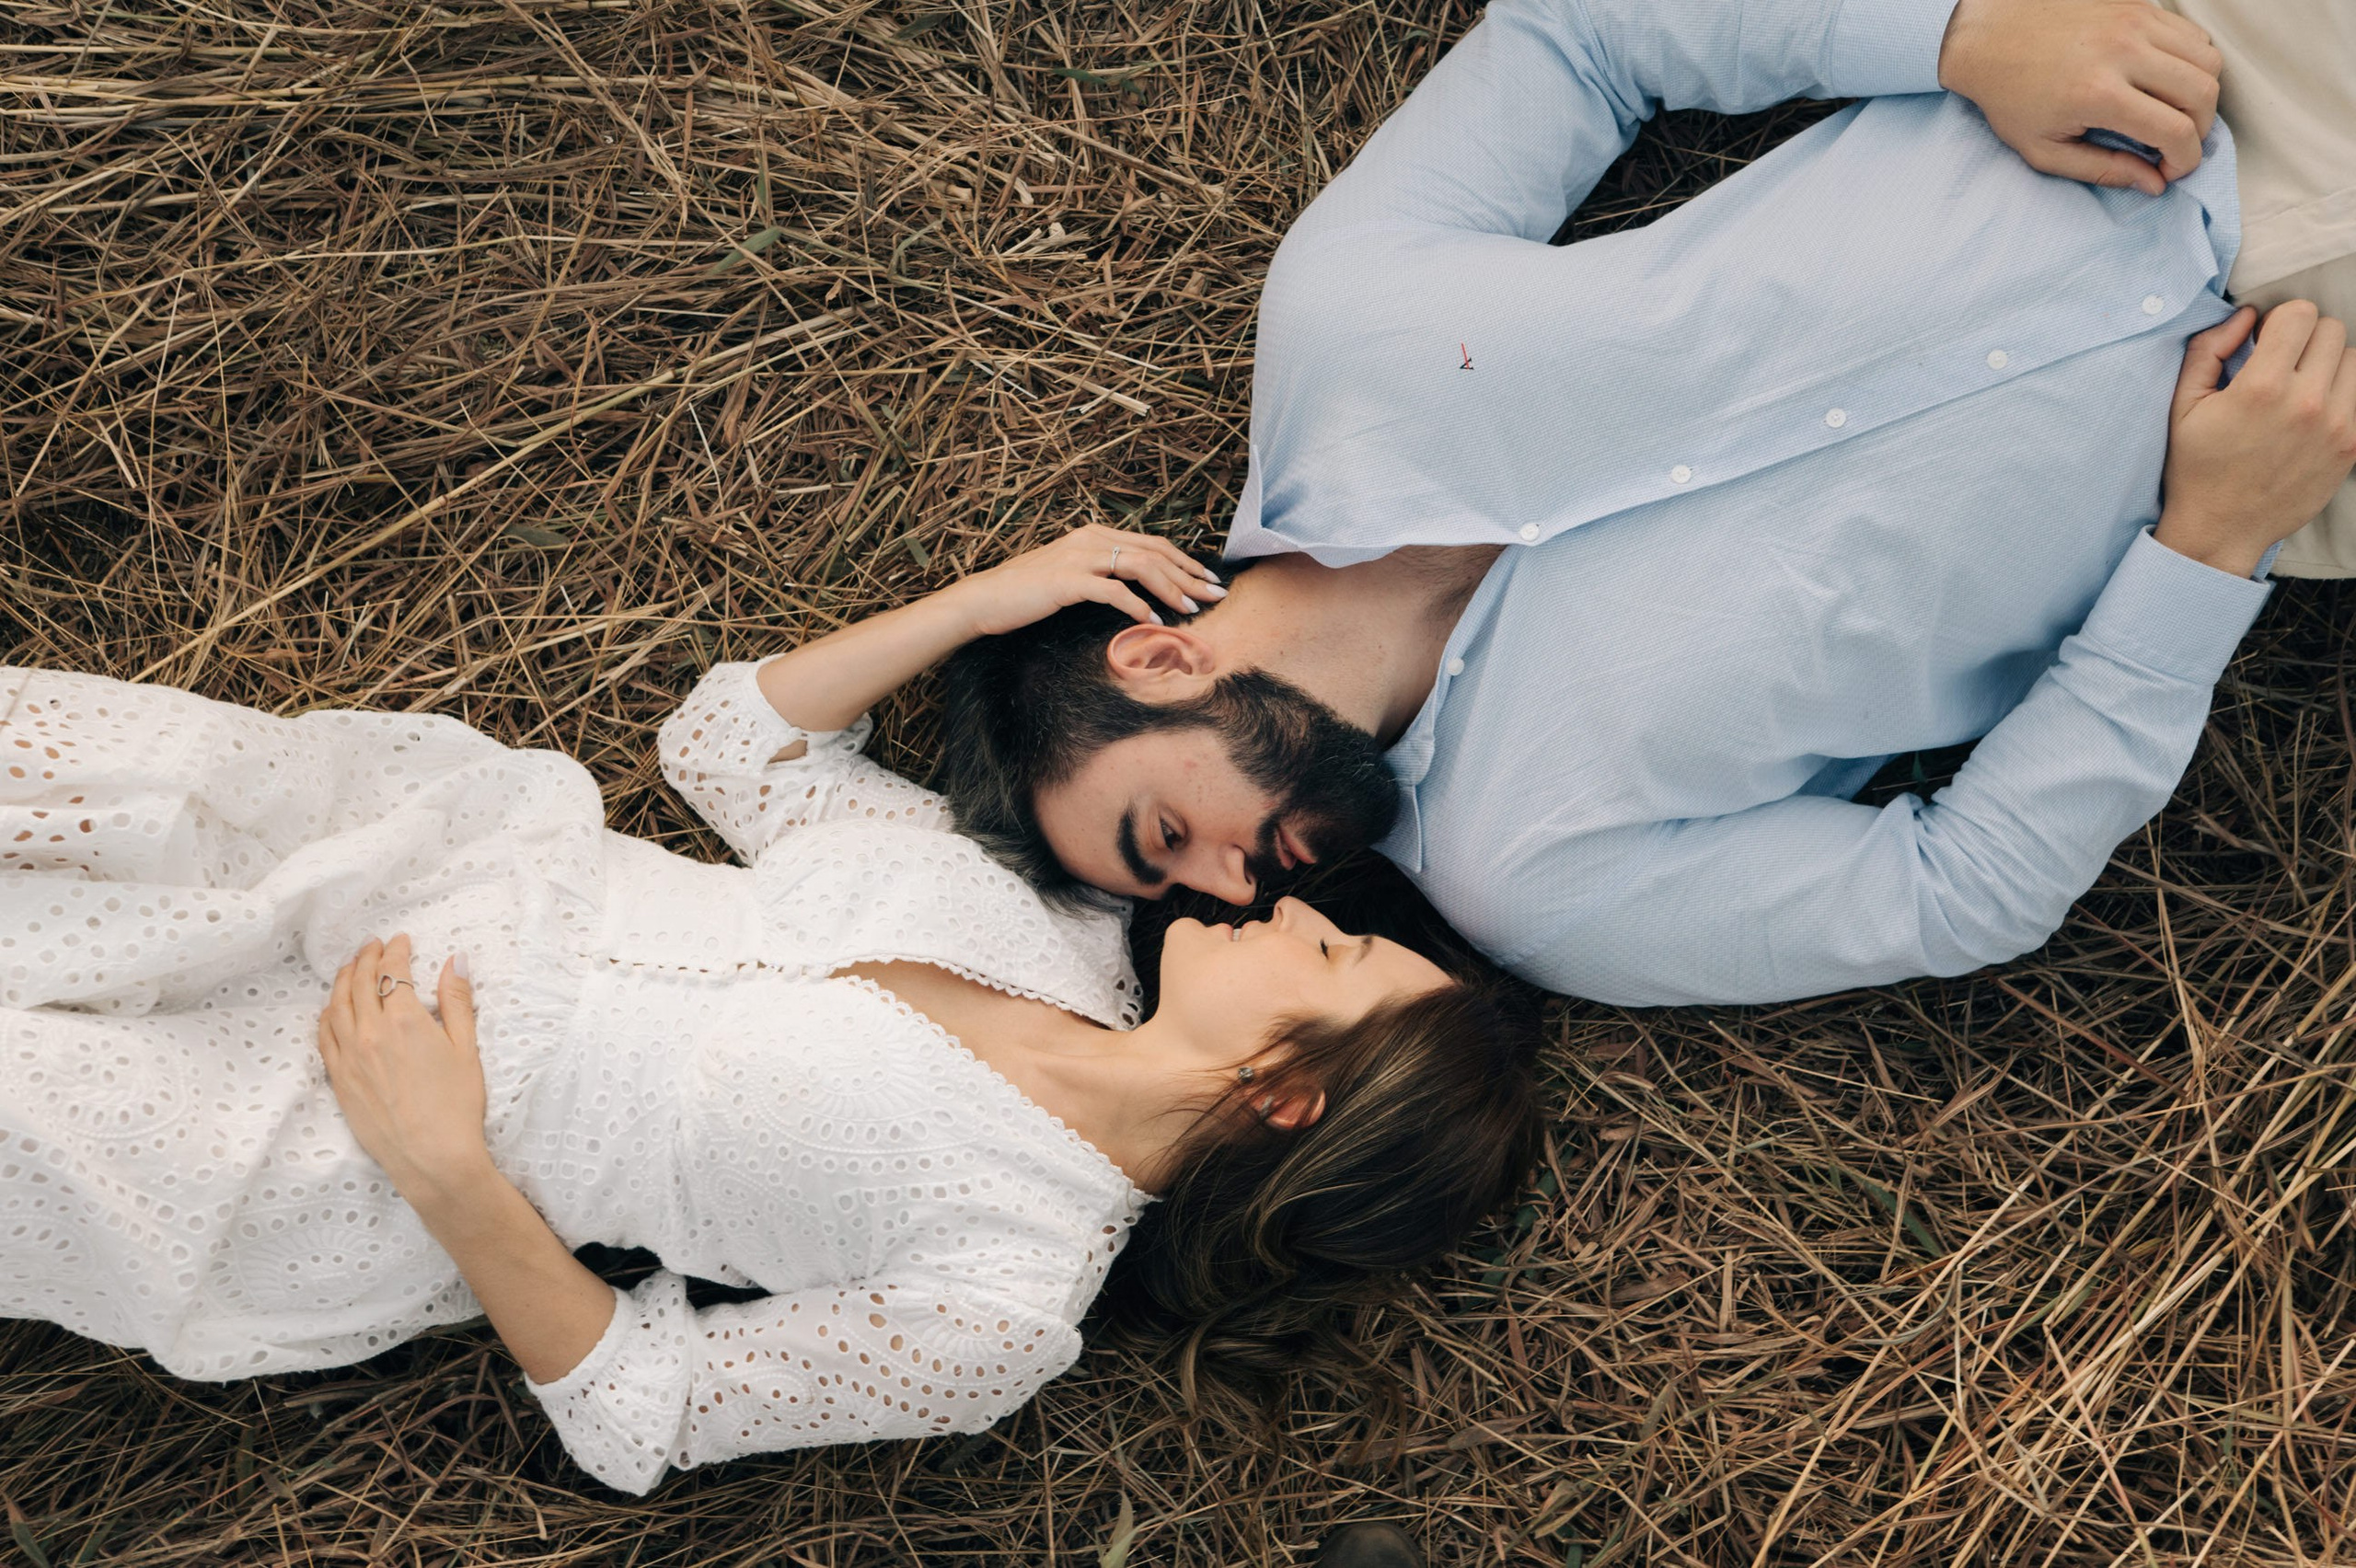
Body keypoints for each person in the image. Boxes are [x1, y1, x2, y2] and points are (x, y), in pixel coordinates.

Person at [0, 532, 1542, 1495]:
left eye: (1335, 962)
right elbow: (737, 744)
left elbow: (641, 1409)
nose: (1295, 910)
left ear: (1287, 1093)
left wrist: (448, 1170)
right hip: (359, 868)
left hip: (314, 1142)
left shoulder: (1005, 1303)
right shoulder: (1059, 929)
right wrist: (996, 599)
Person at [926, 0, 2356, 1007]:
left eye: (1165, 837)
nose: (1236, 892)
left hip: (2206, 76)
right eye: (1191, 906)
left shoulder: (1344, 333)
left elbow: (1583, 33)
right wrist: (2211, 547)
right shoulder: (1546, 886)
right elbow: (1960, 893)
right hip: (2309, 436)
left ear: (1157, 659)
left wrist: (1961, 33)